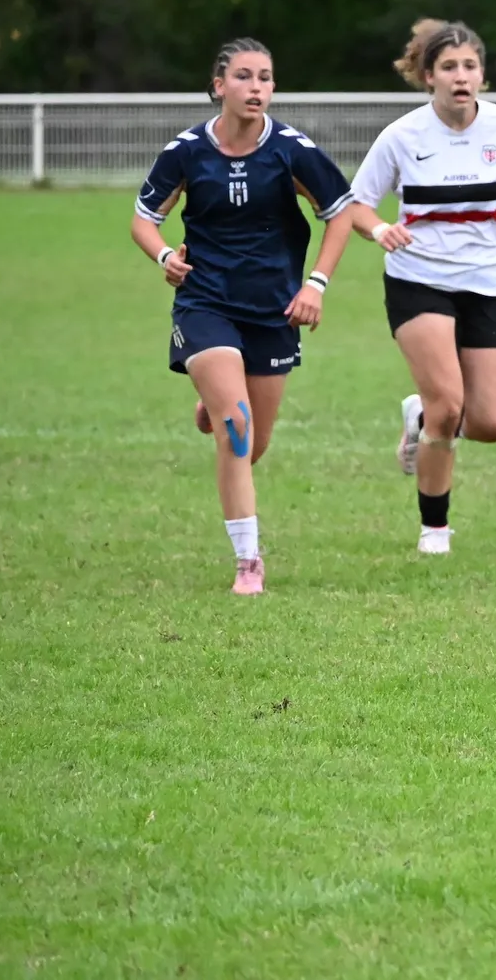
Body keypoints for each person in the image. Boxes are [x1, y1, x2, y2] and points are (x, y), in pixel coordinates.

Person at [130, 38, 354, 594]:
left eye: (266, 78)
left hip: (273, 310)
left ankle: (215, 401)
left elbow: (341, 214)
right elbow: (142, 219)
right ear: (218, 85)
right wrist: (163, 255)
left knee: (252, 447)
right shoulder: (185, 152)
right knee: (237, 427)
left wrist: (316, 286)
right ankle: (248, 561)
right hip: (205, 302)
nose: (257, 88)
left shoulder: (292, 150)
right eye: (244, 77)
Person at [346, 20, 496, 555]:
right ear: (427, 76)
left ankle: (418, 416)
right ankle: (434, 530)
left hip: (487, 280)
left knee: (491, 422)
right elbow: (356, 203)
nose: (460, 77)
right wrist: (378, 229)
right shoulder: (402, 136)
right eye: (448, 67)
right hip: (418, 278)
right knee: (448, 406)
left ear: (482, 74)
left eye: (469, 66)